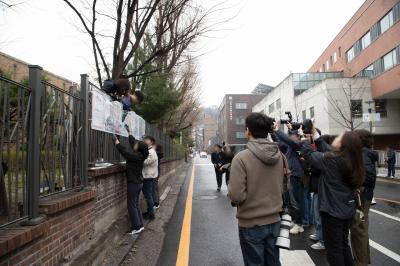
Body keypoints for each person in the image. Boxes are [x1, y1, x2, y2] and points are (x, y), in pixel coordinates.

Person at [300, 128, 365, 266]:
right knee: (342, 244)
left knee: (334, 250)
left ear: (342, 145)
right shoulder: (352, 159)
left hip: (333, 212)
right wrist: (316, 136)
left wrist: (304, 140)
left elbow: (309, 154)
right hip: (347, 209)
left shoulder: (332, 160)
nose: (335, 138)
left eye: (339, 137)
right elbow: (326, 149)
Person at [229, 113, 284, 266]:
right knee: (273, 262)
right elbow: (285, 186)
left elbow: (236, 195)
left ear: (248, 131)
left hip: (251, 222)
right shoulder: (280, 156)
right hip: (274, 220)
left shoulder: (241, 158)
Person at [350, 129, 379, 266]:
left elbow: (369, 178)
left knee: (358, 229)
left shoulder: (363, 154)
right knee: (360, 228)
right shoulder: (364, 153)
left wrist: (356, 183)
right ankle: (363, 260)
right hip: (364, 195)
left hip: (361, 196)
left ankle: (360, 262)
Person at [113, 131, 149, 235]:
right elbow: (133, 143)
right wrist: (129, 133)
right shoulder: (140, 155)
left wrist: (116, 142)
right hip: (138, 182)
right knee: (135, 204)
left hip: (134, 183)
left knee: (131, 205)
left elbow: (125, 153)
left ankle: (137, 226)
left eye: (137, 145)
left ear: (138, 148)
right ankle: (140, 225)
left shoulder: (136, 156)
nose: (135, 144)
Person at [272, 125, 305, 234]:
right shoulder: (291, 146)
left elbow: (285, 140)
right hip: (291, 175)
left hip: (296, 175)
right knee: (290, 201)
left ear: (298, 136)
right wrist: (272, 132)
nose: (290, 137)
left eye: (292, 135)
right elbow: (280, 142)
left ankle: (299, 224)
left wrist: (277, 130)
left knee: (296, 201)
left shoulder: (298, 145)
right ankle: (296, 220)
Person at [142, 135, 159, 220]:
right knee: (149, 194)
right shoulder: (150, 151)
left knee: (148, 195)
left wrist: (137, 158)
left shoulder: (151, 152)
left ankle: (151, 214)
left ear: (151, 142)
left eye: (147, 140)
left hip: (148, 176)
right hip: (149, 176)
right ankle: (149, 211)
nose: (145, 141)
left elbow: (145, 162)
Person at [153, 144, 164, 209]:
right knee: (155, 187)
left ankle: (156, 203)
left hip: (155, 172)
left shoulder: (155, 154)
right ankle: (157, 202)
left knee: (154, 188)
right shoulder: (158, 154)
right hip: (157, 171)